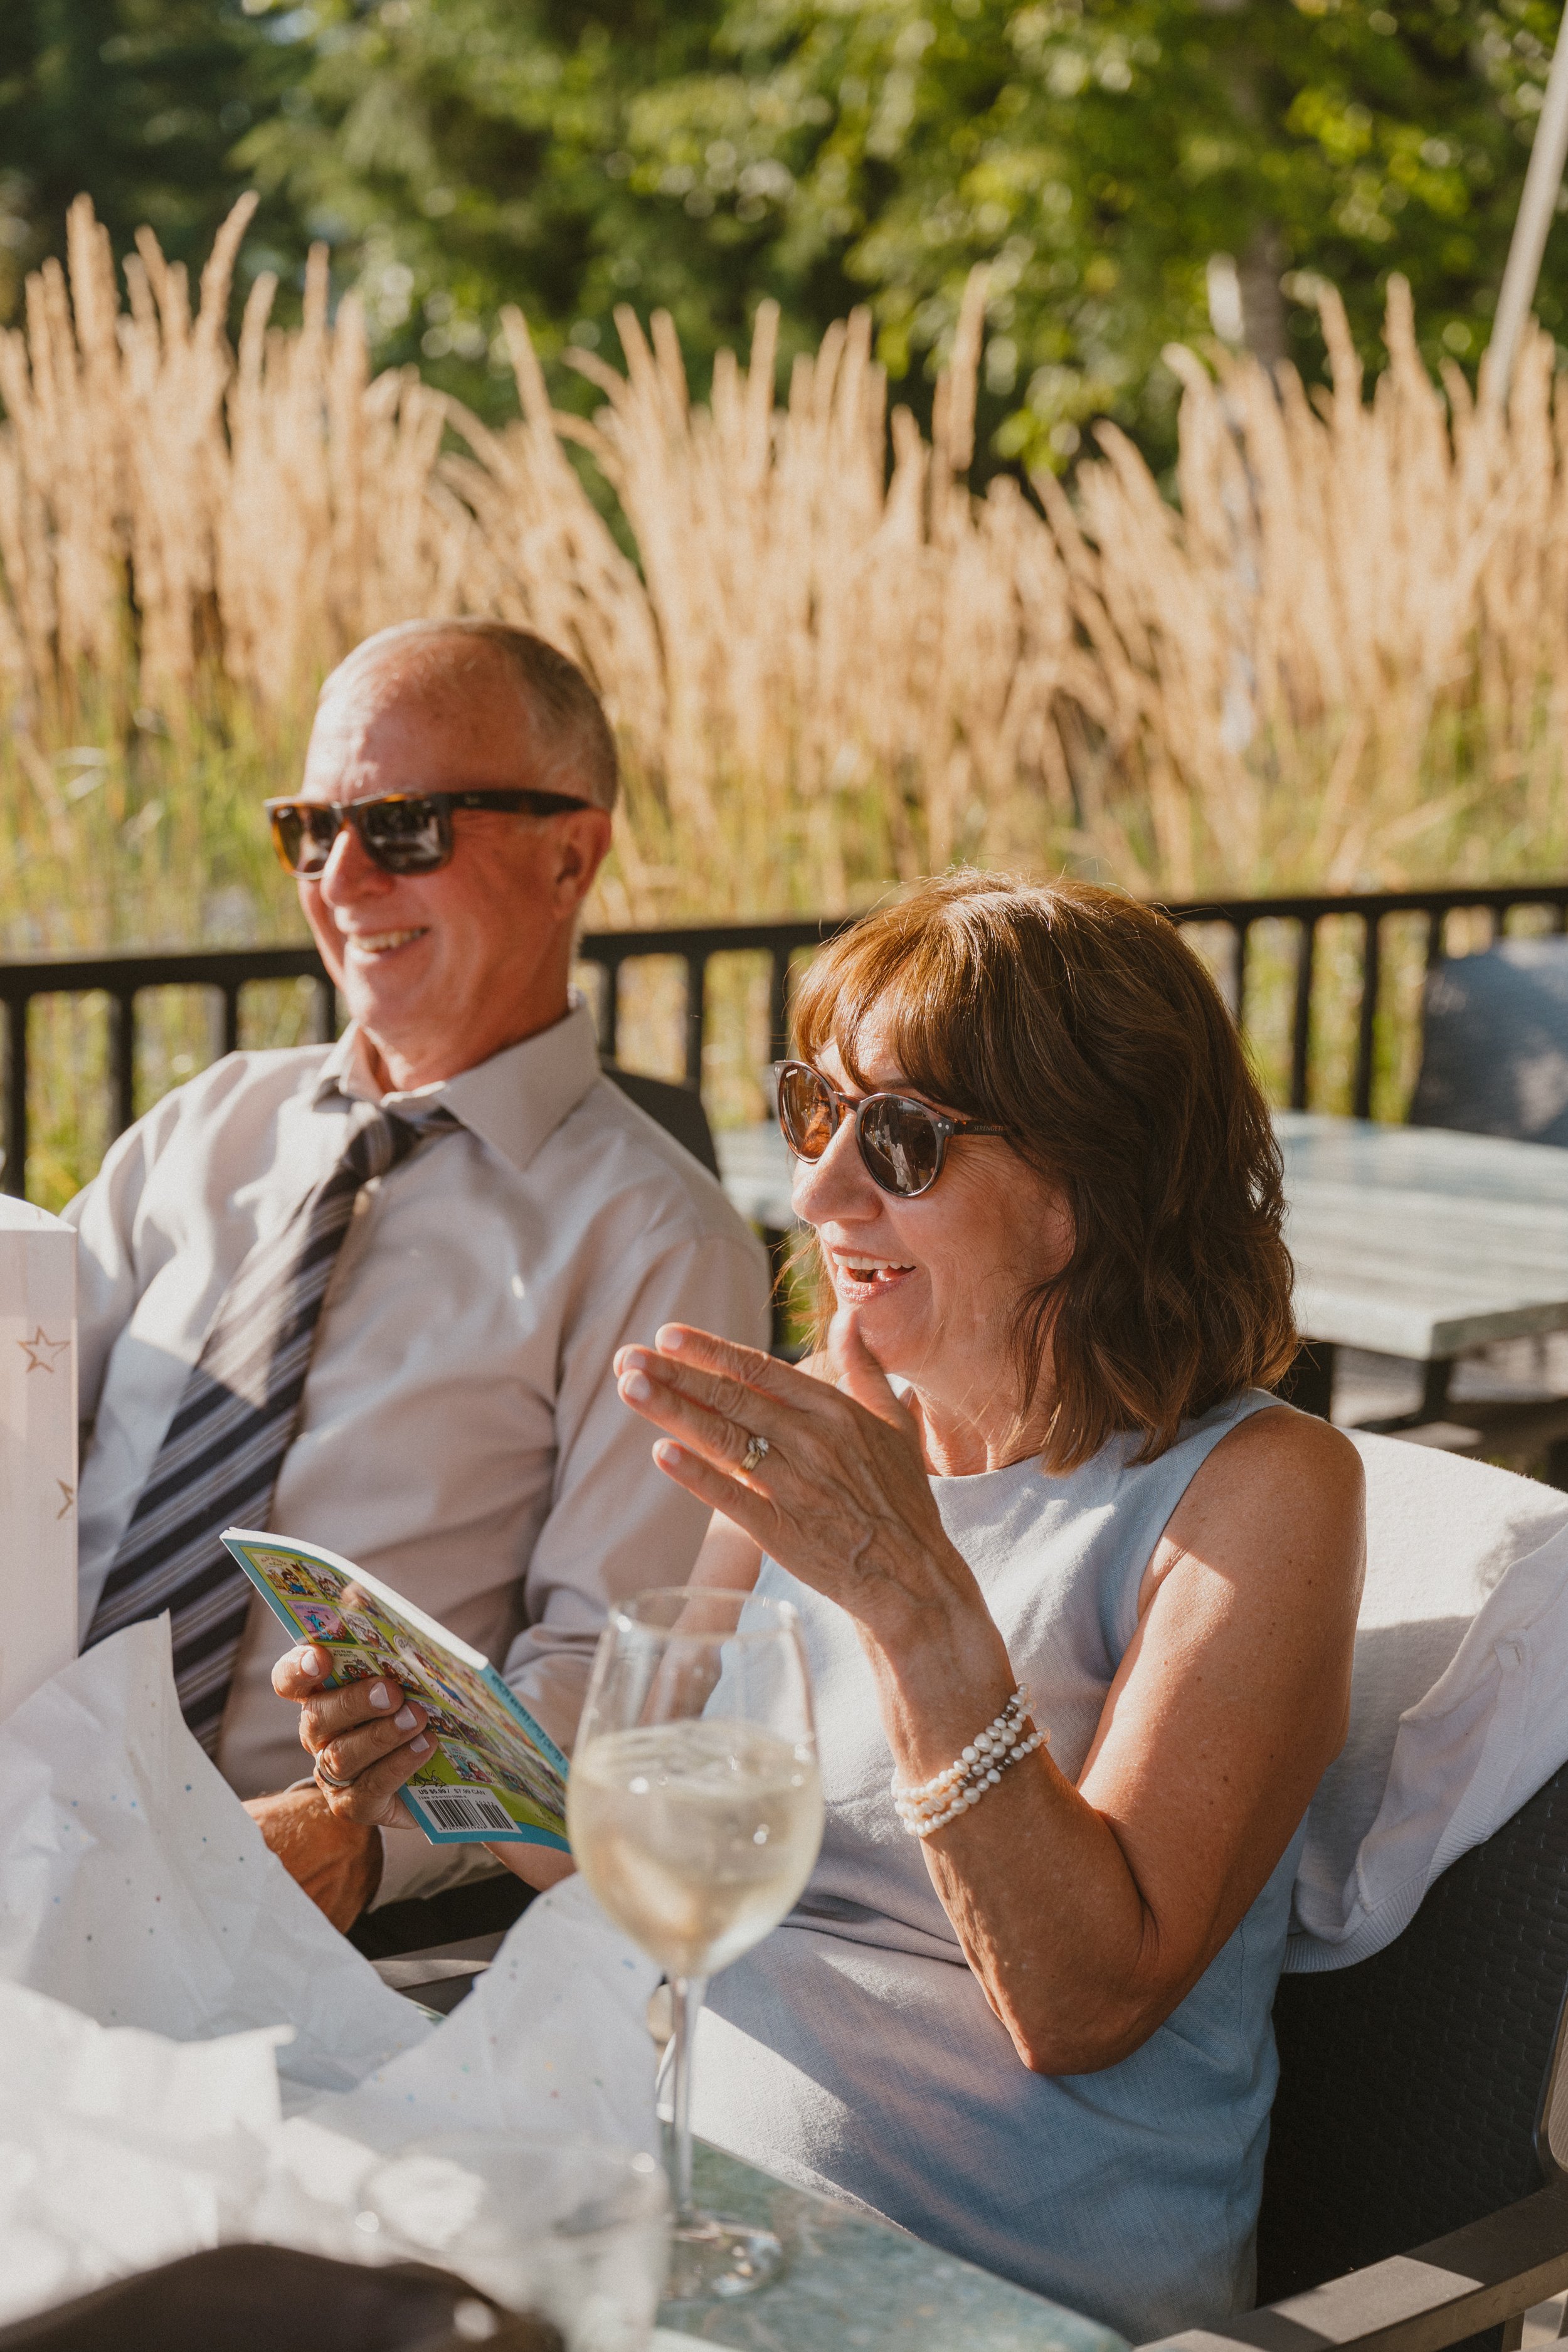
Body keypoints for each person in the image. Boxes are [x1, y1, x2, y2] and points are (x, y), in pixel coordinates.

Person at [283, 872, 1362, 2338]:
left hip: (972, 2289)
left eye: (901, 1140)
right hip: (654, 2204)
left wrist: (909, 1595)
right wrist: (439, 1757)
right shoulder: (843, 1443)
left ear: (1088, 1188)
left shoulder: (1257, 1495)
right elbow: (627, 1867)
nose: (814, 1191)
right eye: (815, 1111)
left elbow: (1078, 2006)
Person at [68, 618, 771, 1932]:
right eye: (307, 829)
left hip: (300, 1912)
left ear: (572, 851)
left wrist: (365, 1848)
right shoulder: (203, 1126)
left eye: (399, 829)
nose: (340, 880)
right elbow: (21, 1416)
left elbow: (607, 1687)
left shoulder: (656, 1245)